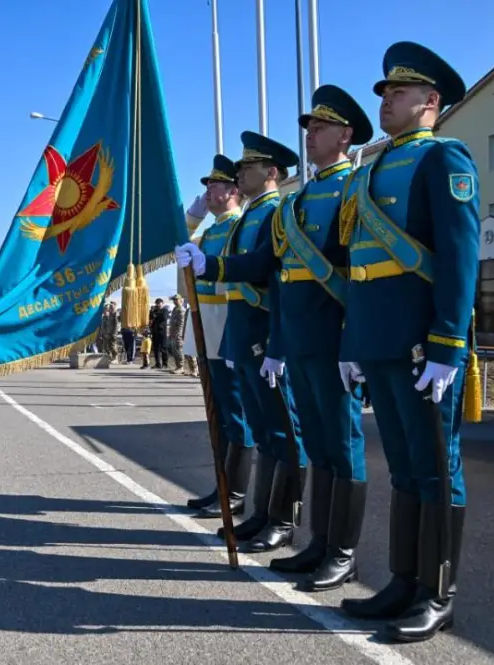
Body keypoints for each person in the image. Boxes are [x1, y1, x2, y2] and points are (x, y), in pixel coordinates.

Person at [336, 41, 478, 643]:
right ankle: (403, 580)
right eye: (386, 92)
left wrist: (447, 345)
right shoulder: (371, 170)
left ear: (430, 101)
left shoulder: (444, 158)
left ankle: (437, 592)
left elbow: (460, 257)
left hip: (424, 346)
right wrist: (352, 342)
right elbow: (358, 267)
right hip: (380, 342)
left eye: (399, 92)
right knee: (404, 468)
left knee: (436, 467)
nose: (387, 101)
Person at [257, 85, 374, 592]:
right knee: (320, 446)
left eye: (321, 127)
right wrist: (209, 264)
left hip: (334, 340)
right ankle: (319, 543)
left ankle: (343, 553)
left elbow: (360, 271)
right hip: (301, 341)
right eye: (309, 127)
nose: (310, 134)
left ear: (345, 136)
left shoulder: (356, 189)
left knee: (343, 445)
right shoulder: (298, 198)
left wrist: (355, 343)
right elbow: (272, 270)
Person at [177, 135, 305, 551]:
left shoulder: (273, 213)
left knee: (277, 430)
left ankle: (277, 517)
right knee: (260, 428)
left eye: (246, 169)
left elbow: (269, 274)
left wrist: (277, 344)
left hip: (258, 331)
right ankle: (260, 513)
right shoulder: (246, 218)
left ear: (271, 173)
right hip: (237, 331)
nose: (238, 175)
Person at [182, 156, 250, 519]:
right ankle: (221, 486)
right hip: (206, 328)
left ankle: (235, 492)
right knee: (217, 413)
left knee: (234, 413)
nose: (208, 192)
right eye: (207, 187)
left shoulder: (239, 226)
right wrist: (192, 218)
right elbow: (174, 245)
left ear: (234, 191)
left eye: (216, 186)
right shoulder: (210, 231)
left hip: (226, 326)